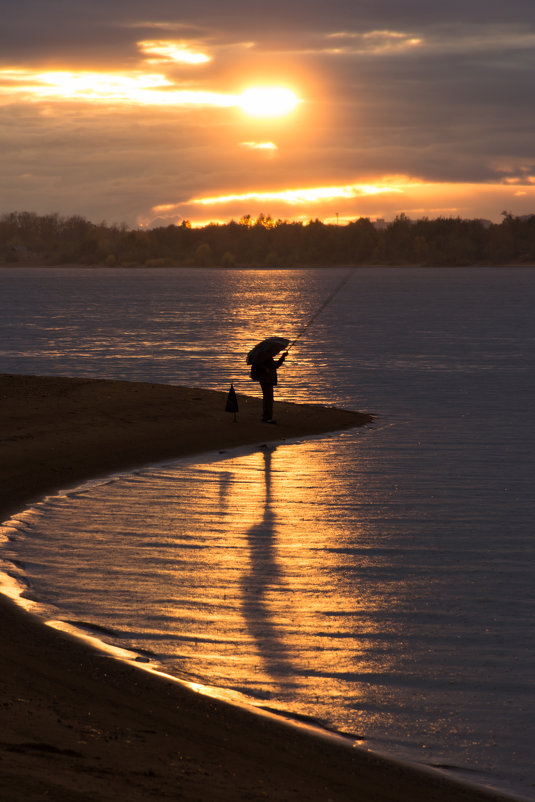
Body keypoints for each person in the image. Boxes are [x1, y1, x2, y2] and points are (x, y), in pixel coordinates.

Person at [251, 351, 287, 423]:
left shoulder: (264, 357)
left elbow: (274, 366)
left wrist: (282, 357)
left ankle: (266, 416)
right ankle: (267, 417)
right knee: (269, 399)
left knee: (267, 398)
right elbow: (274, 366)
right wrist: (282, 357)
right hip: (266, 381)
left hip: (266, 380)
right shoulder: (265, 358)